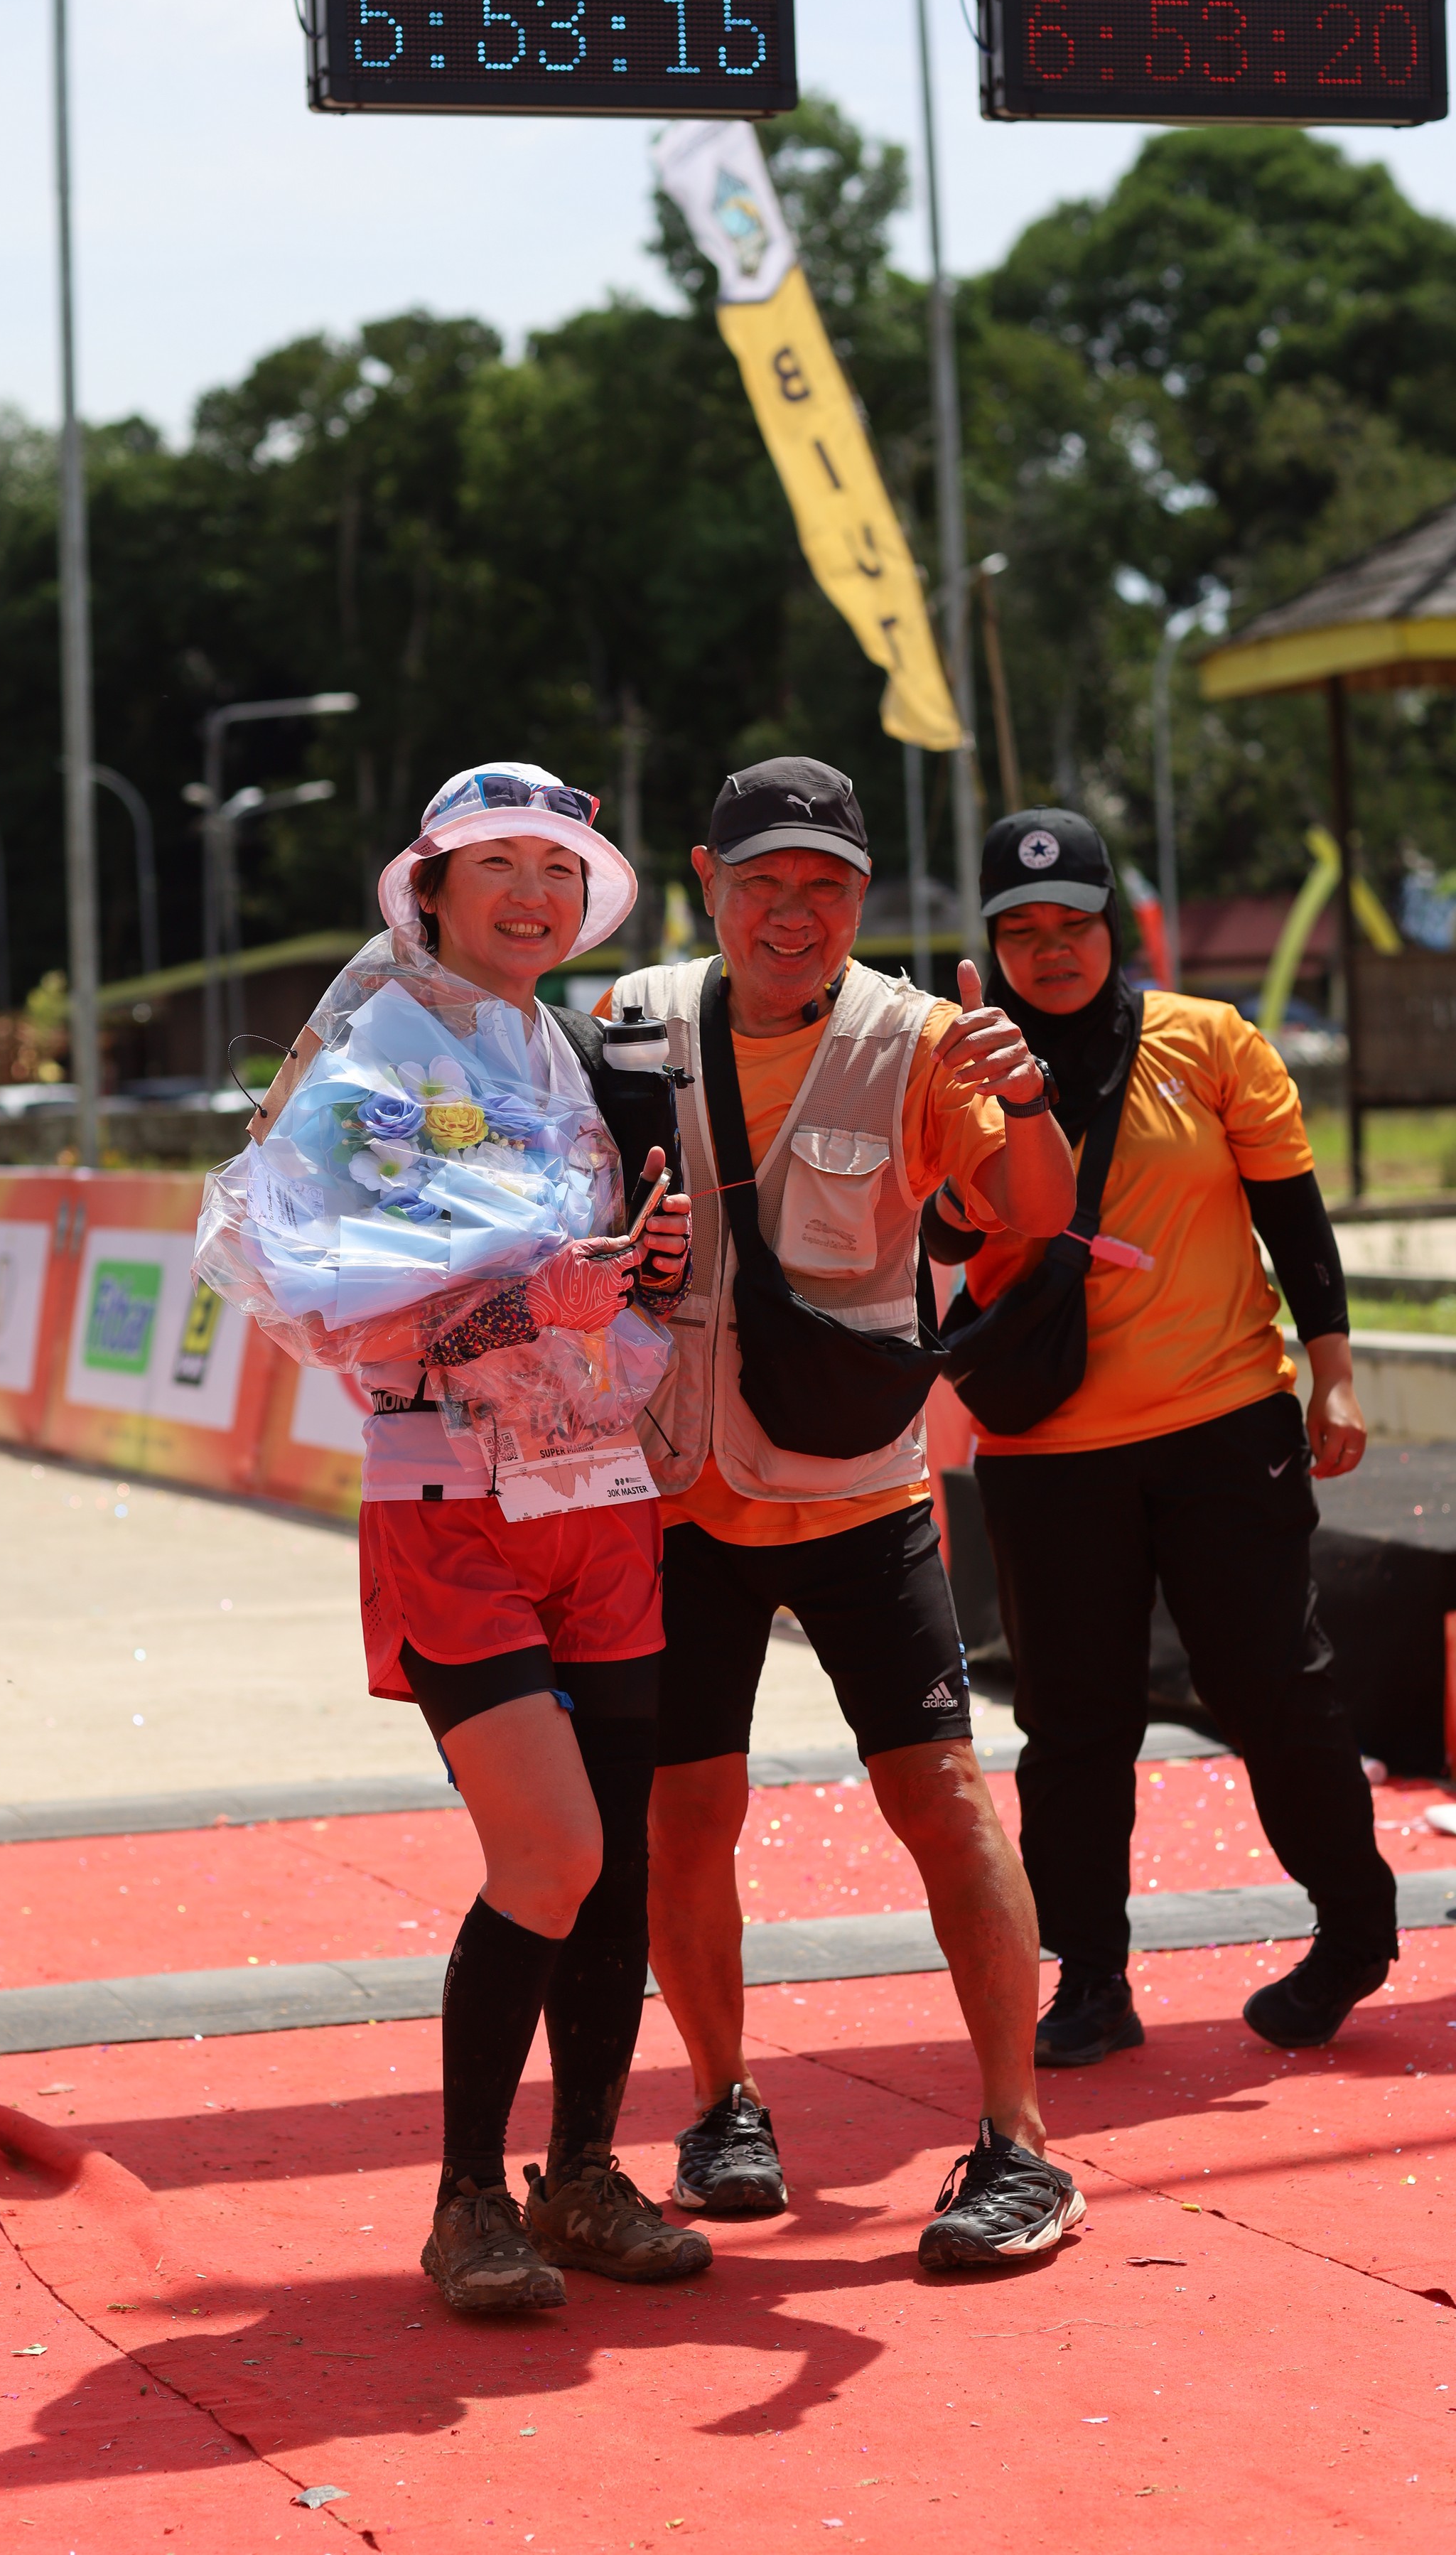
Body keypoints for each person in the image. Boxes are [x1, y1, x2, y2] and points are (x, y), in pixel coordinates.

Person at [605, 754, 1089, 2271]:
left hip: (859, 1486)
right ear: (707, 881)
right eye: (764, 883)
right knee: (689, 1812)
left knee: (942, 1797)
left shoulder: (925, 1040)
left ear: (864, 896)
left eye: (826, 887)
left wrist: (1026, 1094)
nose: (794, 915)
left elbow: (1038, 1212)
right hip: (679, 1489)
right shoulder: (630, 1023)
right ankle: (721, 2107)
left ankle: (1021, 2143)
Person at [251, 763, 713, 2315]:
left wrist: (634, 1268)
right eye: (498, 864)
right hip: (450, 1502)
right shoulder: (371, 1061)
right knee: (552, 1851)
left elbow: (590, 1282)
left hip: (601, 1497)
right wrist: (527, 1303)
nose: (533, 893)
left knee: (618, 1865)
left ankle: (579, 2178)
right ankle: (465, 2203)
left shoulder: (568, 1053)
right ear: (429, 890)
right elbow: (335, 1306)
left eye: (560, 869)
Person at [932, 806, 1397, 2063]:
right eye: (1022, 932)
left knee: (1273, 1687)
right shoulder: (956, 1065)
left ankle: (1357, 1931)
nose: (1050, 951)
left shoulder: (1210, 1041)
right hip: (1046, 1450)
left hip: (1223, 1426)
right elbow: (941, 1237)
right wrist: (989, 1111)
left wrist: (1335, 1377)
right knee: (1073, 1723)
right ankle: (1090, 1981)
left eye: (1072, 924)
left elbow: (1294, 1215)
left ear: (1111, 927)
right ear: (992, 944)